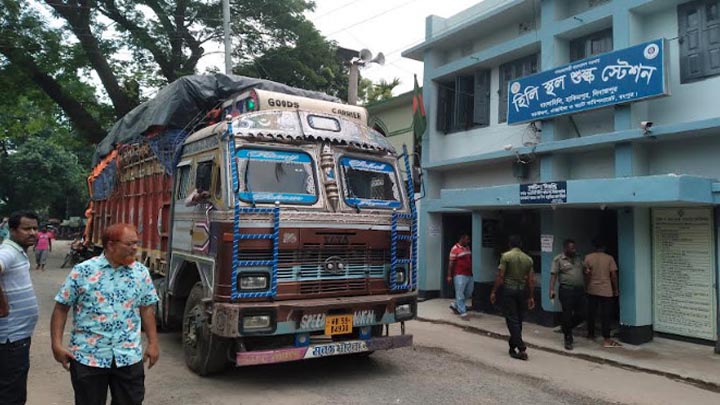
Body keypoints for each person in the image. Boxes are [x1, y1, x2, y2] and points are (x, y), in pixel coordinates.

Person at [51, 223, 159, 405]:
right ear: (111, 245)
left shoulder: (141, 273)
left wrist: (153, 343)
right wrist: (56, 344)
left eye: (136, 243)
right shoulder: (83, 271)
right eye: (130, 244)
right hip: (88, 357)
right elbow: (61, 308)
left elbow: (146, 308)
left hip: (128, 356)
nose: (135, 248)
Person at [0, 211, 40, 405]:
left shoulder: (17, 252)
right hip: (10, 339)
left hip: (15, 338)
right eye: (26, 229)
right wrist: (3, 305)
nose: (33, 233)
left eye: (35, 228)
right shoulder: (8, 252)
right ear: (13, 230)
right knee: (11, 396)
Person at [490, 235, 535, 360]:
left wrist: (494, 291)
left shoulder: (506, 257)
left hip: (509, 290)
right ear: (520, 245)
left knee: (512, 319)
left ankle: (520, 347)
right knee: (519, 319)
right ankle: (513, 345)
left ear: (510, 244)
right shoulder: (528, 259)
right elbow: (531, 280)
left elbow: (500, 276)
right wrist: (531, 296)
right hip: (522, 291)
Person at [583, 238, 622, 348]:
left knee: (591, 313)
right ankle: (606, 339)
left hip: (592, 289)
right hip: (606, 290)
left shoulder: (588, 257)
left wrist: (586, 287)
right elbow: (613, 275)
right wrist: (616, 289)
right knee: (606, 315)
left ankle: (590, 334)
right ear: (604, 247)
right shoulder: (609, 258)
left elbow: (586, 274)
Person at [550, 238, 586, 351]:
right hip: (566, 290)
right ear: (565, 248)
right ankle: (568, 339)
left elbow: (584, 270)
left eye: (574, 248)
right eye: (571, 248)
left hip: (579, 290)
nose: (574, 250)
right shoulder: (558, 259)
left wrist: (587, 271)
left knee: (582, 314)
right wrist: (551, 289)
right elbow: (554, 275)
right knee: (567, 313)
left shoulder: (579, 258)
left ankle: (566, 327)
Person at [447, 234, 472, 320]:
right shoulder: (455, 249)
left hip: (469, 274)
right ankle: (463, 312)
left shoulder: (467, 248)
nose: (468, 241)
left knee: (469, 292)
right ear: (462, 239)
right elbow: (451, 263)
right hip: (459, 274)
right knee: (460, 293)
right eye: (467, 239)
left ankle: (455, 305)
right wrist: (449, 275)